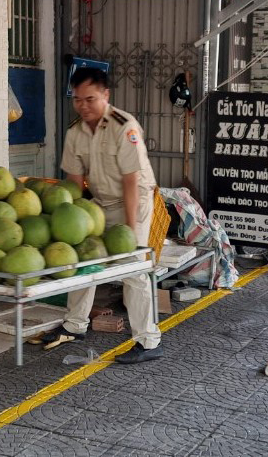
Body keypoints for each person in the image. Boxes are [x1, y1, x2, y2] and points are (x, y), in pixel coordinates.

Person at [32, 68, 163, 363]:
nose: (83, 105)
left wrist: (130, 231)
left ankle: (149, 341)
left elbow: (131, 181)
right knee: (84, 258)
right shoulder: (75, 132)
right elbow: (75, 184)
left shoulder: (124, 126)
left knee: (133, 268)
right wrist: (71, 224)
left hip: (135, 200)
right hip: (100, 203)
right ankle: (74, 325)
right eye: (78, 99)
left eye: (90, 99)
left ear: (105, 95)